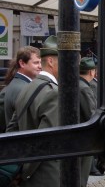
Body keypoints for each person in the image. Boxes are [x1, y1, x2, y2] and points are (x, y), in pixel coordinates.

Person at [9, 36, 60, 187]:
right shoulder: (53, 92)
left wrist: (19, 168)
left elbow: (12, 130)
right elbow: (44, 142)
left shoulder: (28, 87)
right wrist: (26, 172)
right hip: (45, 176)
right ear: (51, 61)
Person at [0, 46, 41, 132]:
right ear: (22, 63)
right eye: (36, 63)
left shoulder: (17, 84)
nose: (40, 66)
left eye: (40, 63)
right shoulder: (24, 88)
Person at [79, 57, 97, 185]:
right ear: (91, 72)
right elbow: (91, 114)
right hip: (84, 137)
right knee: (82, 175)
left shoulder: (78, 84)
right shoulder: (84, 88)